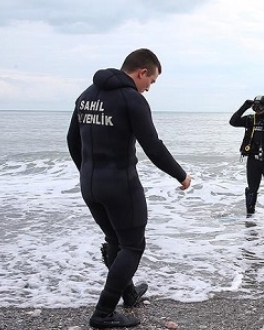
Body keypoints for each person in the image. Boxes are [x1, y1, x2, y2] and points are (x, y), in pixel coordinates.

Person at [67, 48, 191, 328]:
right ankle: (103, 313)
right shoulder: (131, 100)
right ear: (141, 72)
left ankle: (130, 294)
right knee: (133, 246)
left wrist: (87, 172)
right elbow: (153, 147)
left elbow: (72, 140)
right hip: (120, 185)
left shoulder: (86, 95)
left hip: (90, 184)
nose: (150, 88)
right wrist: (181, 175)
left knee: (115, 240)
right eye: (152, 81)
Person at [230, 95, 264, 221]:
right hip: (253, 160)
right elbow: (233, 121)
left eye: (261, 107)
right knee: (252, 189)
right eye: (255, 107)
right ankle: (250, 216)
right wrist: (245, 106)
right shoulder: (250, 119)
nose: (258, 110)